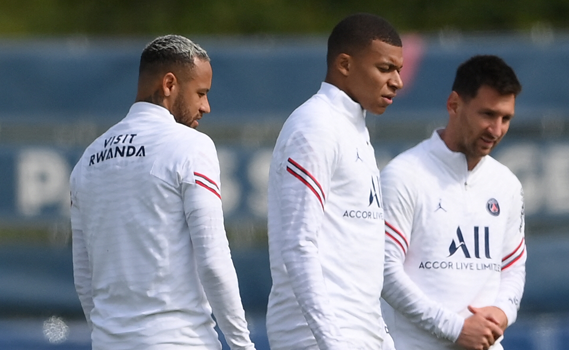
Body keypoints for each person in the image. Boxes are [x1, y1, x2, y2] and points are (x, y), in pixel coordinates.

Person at [70, 34, 256, 350]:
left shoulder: (87, 160)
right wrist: (242, 345)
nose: (206, 107)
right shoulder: (192, 147)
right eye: (201, 93)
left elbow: (83, 279)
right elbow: (213, 261)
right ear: (169, 84)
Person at [266, 13, 404, 350]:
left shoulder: (353, 128)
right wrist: (332, 341)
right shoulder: (315, 126)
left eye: (398, 70)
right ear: (345, 64)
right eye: (385, 69)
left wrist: (381, 338)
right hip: (315, 337)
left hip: (360, 332)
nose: (397, 81)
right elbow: (298, 246)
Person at [380, 55, 526, 350]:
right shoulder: (403, 175)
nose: (496, 130)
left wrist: (501, 314)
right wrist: (455, 328)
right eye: (487, 114)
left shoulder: (506, 184)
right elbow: (384, 272)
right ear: (454, 105)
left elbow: (513, 267)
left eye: (506, 118)